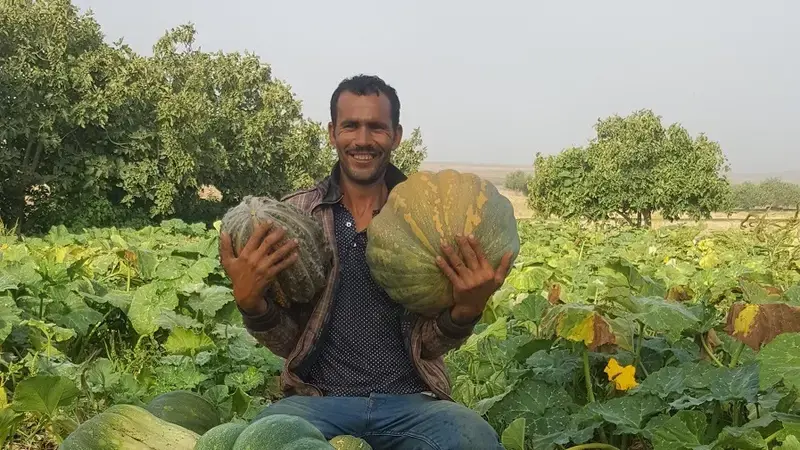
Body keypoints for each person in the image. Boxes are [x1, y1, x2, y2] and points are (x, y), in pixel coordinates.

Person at [218, 74, 513, 449]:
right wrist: (252, 305)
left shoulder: (434, 219)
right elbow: (291, 341)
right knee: (262, 441)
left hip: (412, 404)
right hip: (317, 402)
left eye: (376, 127)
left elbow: (429, 346)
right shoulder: (296, 216)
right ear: (332, 133)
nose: (362, 139)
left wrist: (466, 310)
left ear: (396, 135)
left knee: (474, 439)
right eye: (350, 126)